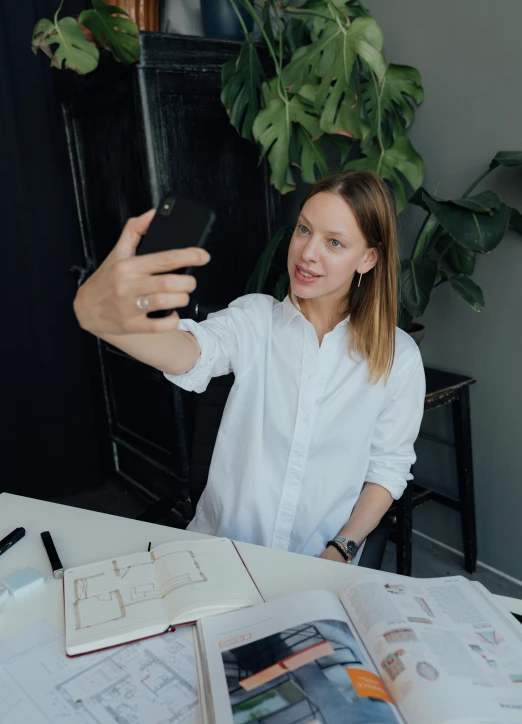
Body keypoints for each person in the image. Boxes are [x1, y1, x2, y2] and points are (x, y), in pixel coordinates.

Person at [74, 170, 425, 566]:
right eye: (304, 230)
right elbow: (191, 352)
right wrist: (105, 320)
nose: (308, 253)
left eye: (334, 242)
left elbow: (388, 471)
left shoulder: (399, 357)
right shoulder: (255, 320)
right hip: (218, 557)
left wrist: (341, 550)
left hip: (319, 566)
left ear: (368, 258)